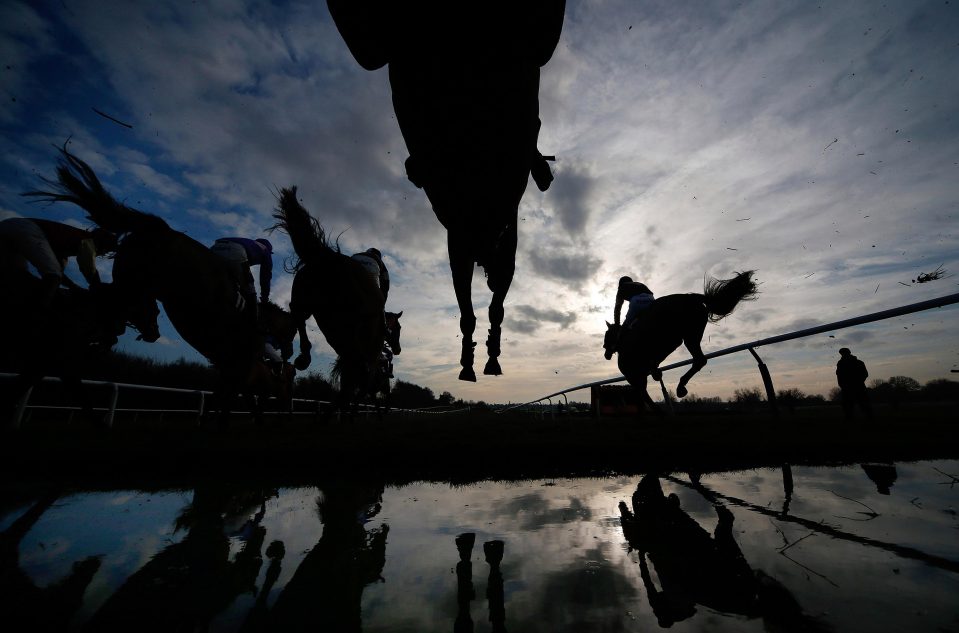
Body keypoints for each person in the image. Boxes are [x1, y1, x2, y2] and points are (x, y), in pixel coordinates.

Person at [0, 217, 117, 309]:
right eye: (105, 249)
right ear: (101, 242)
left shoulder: (62, 247)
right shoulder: (88, 240)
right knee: (52, 275)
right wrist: (97, 287)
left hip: (10, 225)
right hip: (26, 228)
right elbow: (87, 264)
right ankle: (37, 314)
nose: (102, 253)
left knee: (17, 274)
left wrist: (75, 288)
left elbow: (59, 276)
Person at [210, 237, 273, 312]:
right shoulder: (266, 250)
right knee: (250, 290)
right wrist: (264, 297)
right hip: (236, 251)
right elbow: (265, 276)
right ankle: (252, 320)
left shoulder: (248, 242)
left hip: (215, 247)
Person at [836, 347, 872, 420]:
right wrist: (842, 385)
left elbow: (865, 374)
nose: (843, 355)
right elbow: (839, 375)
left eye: (843, 353)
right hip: (850, 388)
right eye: (842, 354)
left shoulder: (857, 363)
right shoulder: (841, 363)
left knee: (863, 405)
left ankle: (870, 419)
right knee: (849, 407)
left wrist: (858, 382)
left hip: (857, 387)